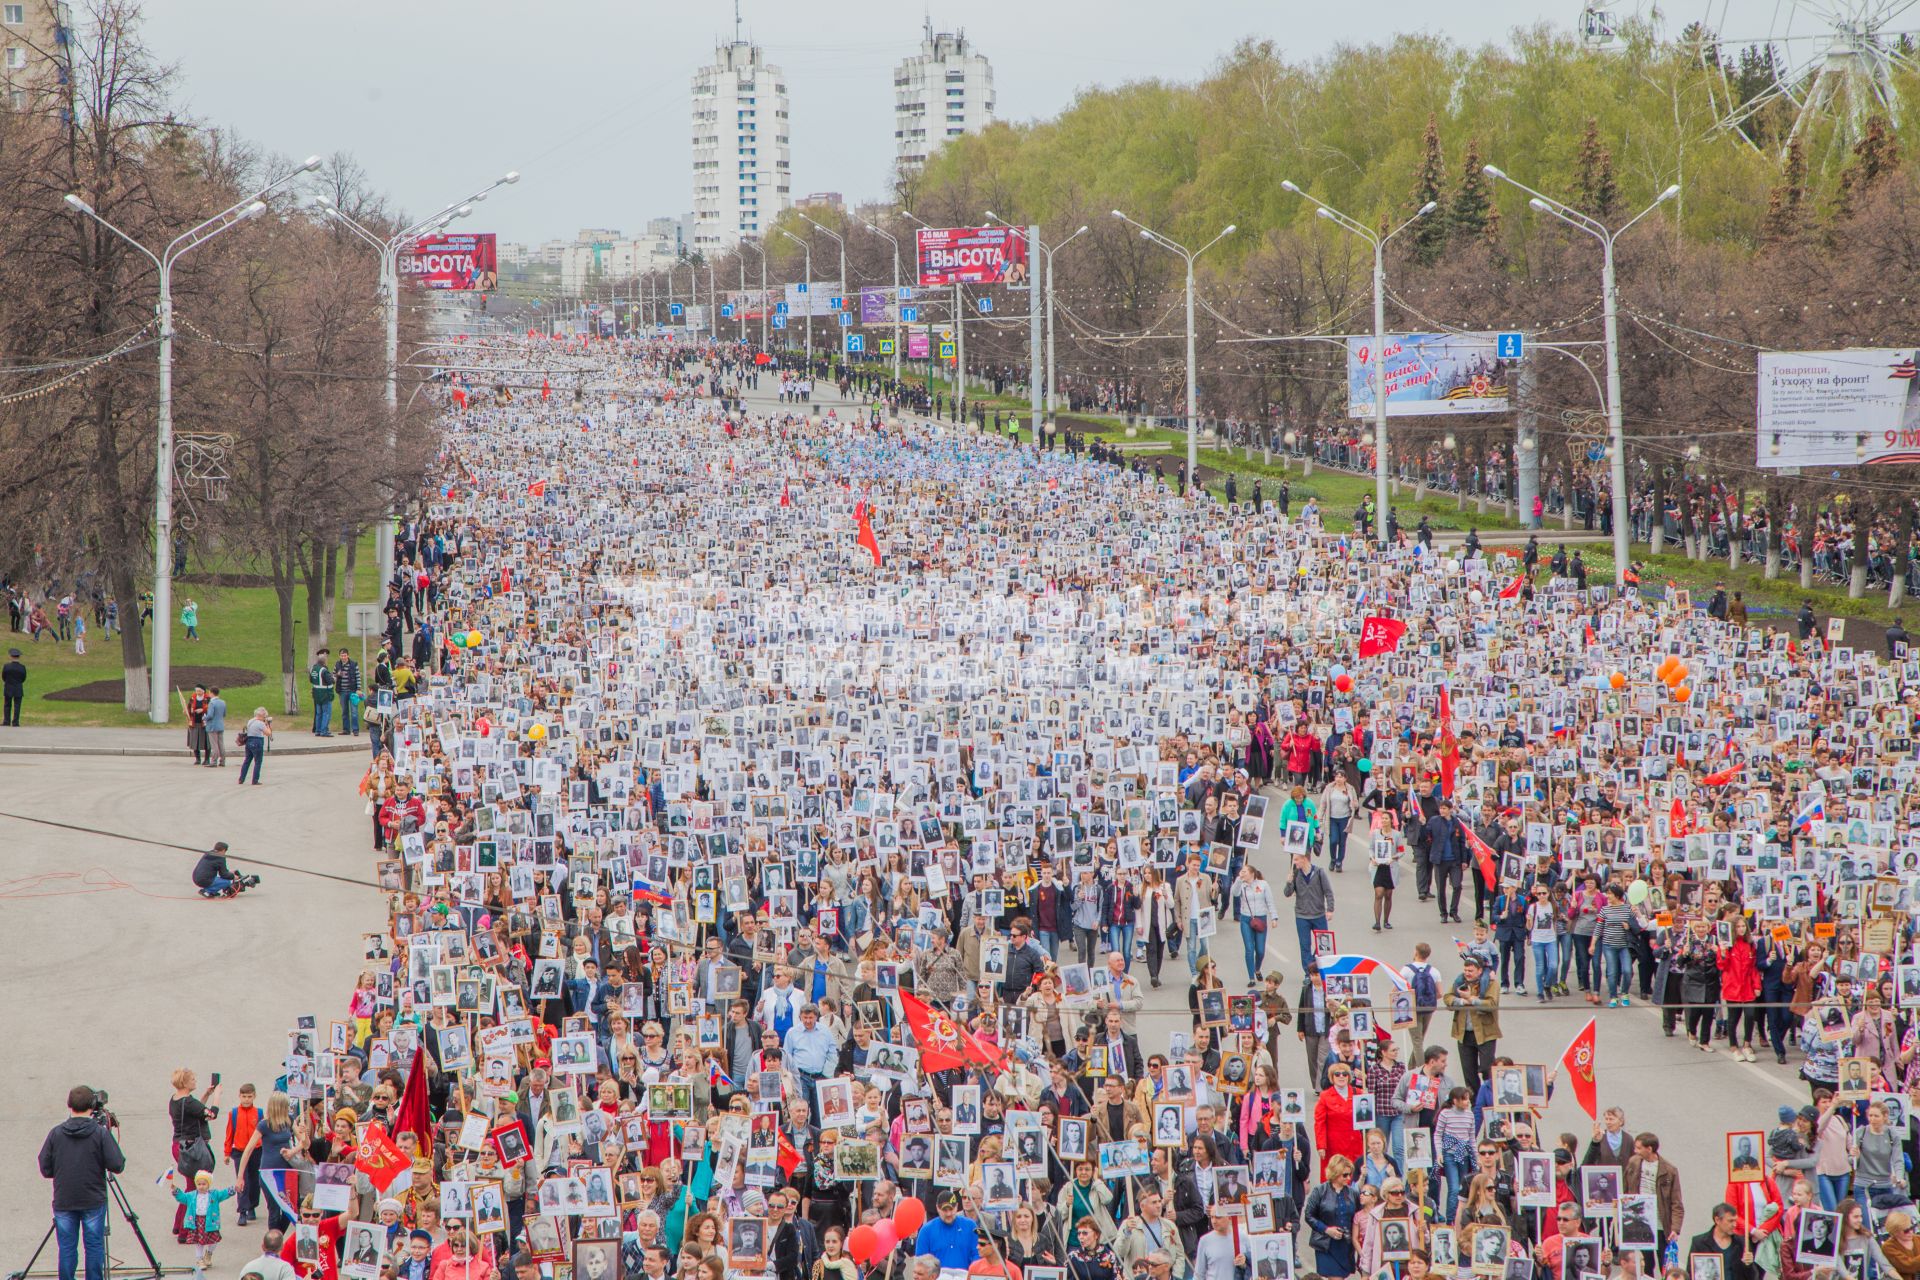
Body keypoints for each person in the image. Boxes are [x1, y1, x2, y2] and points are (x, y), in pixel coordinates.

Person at [37, 1085, 127, 1280]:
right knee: (94, 1245)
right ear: (93, 1105)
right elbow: (117, 1164)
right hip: (93, 1199)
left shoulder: (56, 1133)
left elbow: (45, 1168)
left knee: (67, 1247)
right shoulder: (99, 1133)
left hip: (64, 1199)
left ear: (69, 1105)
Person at [238, 708, 271, 785]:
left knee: (247, 761)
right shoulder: (260, 723)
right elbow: (268, 733)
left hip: (249, 741)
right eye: (264, 716)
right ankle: (255, 780)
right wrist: (268, 725)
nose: (264, 718)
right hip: (257, 741)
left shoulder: (250, 721)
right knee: (258, 762)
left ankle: (241, 779)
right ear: (261, 715)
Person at [3, 646, 24, 725]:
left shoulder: (7, 666)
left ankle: (6, 721)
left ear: (11, 656)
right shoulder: (22, 667)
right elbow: (23, 678)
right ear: (19, 657)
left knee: (7, 705)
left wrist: (8, 682)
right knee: (17, 706)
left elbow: (3, 677)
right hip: (18, 688)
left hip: (8, 687)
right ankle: (15, 722)